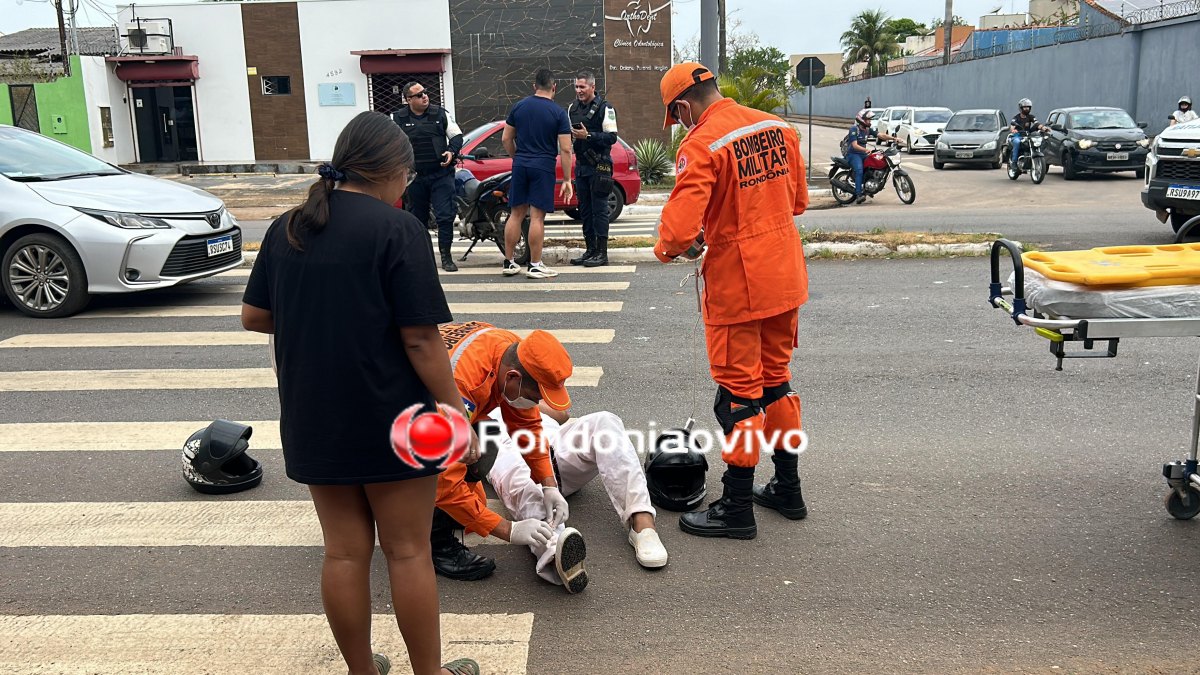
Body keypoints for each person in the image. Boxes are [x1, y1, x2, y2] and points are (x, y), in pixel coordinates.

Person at [241, 111, 479, 675]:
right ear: (393, 170)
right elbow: (422, 338)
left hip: (315, 413)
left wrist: (320, 316)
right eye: (408, 175)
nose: (408, 185)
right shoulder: (397, 230)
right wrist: (457, 413)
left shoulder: (287, 228)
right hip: (395, 420)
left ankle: (361, 671)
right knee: (409, 551)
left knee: (344, 552)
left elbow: (254, 316)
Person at [654, 63, 811, 540]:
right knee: (776, 382)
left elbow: (675, 235)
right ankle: (788, 488)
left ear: (682, 106)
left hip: (739, 286)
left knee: (739, 396)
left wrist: (674, 246)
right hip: (784, 275)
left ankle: (737, 506)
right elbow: (797, 201)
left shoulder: (701, 143)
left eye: (676, 116)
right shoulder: (777, 126)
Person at [430, 321, 590, 592]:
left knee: (484, 439)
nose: (537, 403)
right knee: (452, 471)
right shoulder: (459, 386)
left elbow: (526, 425)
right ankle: (436, 545)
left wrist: (548, 484)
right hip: (390, 419)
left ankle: (452, 514)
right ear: (514, 377)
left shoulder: (511, 350)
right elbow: (443, 480)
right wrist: (508, 530)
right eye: (535, 396)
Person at [501, 68, 574, 279]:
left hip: (521, 164)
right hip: (543, 166)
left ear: (534, 86)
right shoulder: (559, 113)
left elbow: (506, 138)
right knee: (537, 217)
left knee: (515, 214)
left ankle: (509, 262)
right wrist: (567, 179)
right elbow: (566, 149)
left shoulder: (519, 107)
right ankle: (534, 264)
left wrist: (517, 158)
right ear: (554, 87)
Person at [392, 82, 465, 272]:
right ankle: (421, 258)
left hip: (441, 174)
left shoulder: (440, 114)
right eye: (419, 95)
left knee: (445, 216)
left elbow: (456, 136)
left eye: (425, 92)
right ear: (408, 100)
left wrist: (451, 151)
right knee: (417, 219)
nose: (425, 96)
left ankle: (447, 258)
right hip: (414, 177)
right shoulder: (397, 119)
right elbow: (387, 143)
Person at [567, 70, 619, 267]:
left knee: (599, 211)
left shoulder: (605, 108)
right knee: (585, 211)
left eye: (582, 87)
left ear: (592, 87)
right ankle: (590, 250)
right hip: (581, 167)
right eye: (576, 87)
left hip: (600, 167)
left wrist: (588, 137)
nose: (579, 90)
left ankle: (601, 252)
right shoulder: (572, 108)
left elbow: (612, 137)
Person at [845, 109, 897, 204]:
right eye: (868, 119)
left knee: (875, 163)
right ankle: (858, 194)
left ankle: (869, 186)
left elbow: (880, 135)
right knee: (859, 170)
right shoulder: (854, 129)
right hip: (853, 154)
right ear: (862, 120)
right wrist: (865, 150)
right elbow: (854, 145)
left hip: (863, 154)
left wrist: (893, 138)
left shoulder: (867, 129)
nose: (870, 121)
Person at [1008, 98, 1050, 172]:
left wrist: (1044, 128)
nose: (1027, 109)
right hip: (1018, 135)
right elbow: (1012, 126)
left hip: (1028, 135)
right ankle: (1014, 162)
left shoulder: (1031, 117)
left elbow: (1037, 123)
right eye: (1025, 107)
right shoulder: (1016, 118)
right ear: (1021, 108)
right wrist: (1013, 130)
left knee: (1041, 140)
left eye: (1028, 107)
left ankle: (1036, 159)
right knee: (1017, 142)